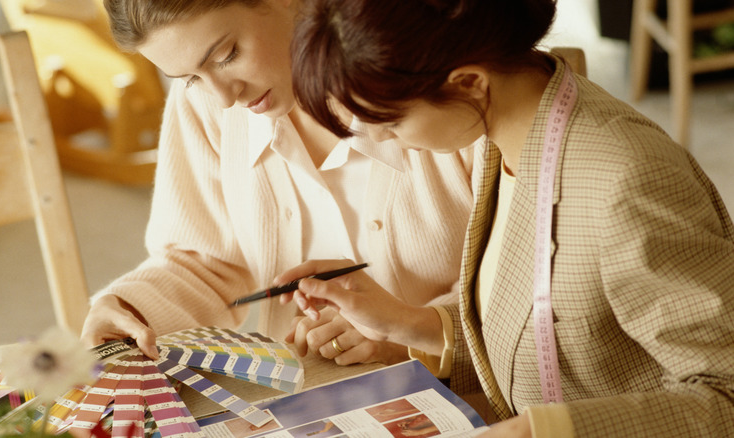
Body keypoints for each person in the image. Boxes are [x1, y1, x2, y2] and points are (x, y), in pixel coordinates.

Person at [279, 0, 734, 436]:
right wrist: (404, 322)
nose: (390, 144)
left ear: (469, 82)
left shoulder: (625, 180)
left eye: (393, 125)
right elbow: (536, 324)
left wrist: (550, 430)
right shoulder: (505, 138)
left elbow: (725, 393)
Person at [80, 0, 477, 366]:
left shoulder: (444, 86)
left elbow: (526, 292)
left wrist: (408, 330)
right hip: (307, 401)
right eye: (188, 78)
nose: (222, 97)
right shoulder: (206, 106)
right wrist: (130, 311)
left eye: (226, 55)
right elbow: (205, 262)